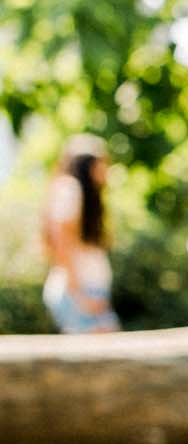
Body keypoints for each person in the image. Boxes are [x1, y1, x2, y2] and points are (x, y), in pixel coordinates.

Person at [40, 134, 119, 334]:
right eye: (102, 163)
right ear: (87, 164)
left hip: (88, 290)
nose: (106, 170)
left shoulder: (80, 194)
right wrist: (80, 295)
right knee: (102, 361)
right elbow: (60, 241)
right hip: (80, 291)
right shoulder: (70, 188)